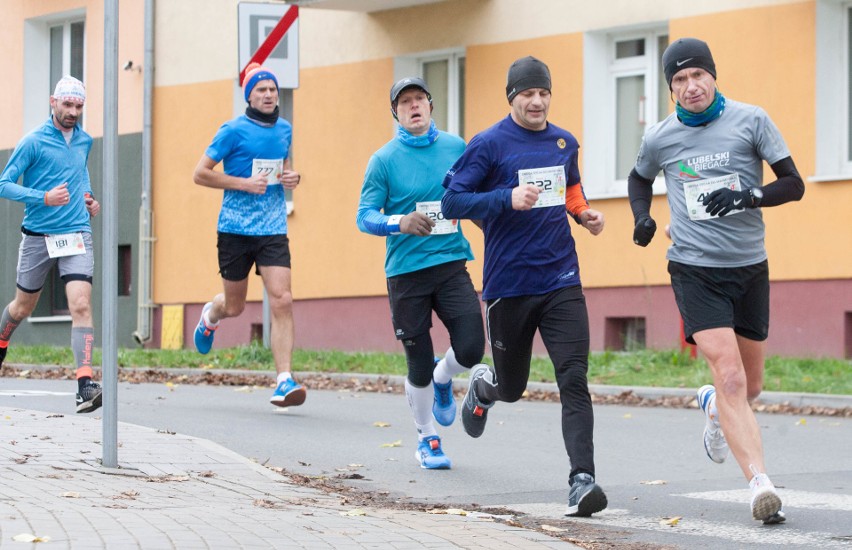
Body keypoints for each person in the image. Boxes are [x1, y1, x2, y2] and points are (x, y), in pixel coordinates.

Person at [627, 38, 805, 524]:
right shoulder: (660, 137)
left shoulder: (751, 120)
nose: (690, 87)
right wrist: (642, 217)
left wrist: (750, 197)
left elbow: (794, 184)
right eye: (679, 80)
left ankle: (712, 410)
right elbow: (639, 178)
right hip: (693, 268)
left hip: (749, 266)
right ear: (670, 89)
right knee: (728, 374)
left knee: (749, 386)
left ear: (713, 76)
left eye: (697, 76)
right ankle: (760, 485)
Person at [442, 56, 608, 516]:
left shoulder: (563, 141)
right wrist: (505, 198)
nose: (536, 101)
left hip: (561, 280)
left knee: (573, 377)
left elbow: (570, 188)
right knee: (513, 387)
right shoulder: (489, 144)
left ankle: (582, 480)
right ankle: (485, 388)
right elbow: (452, 199)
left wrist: (584, 214)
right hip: (508, 287)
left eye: (543, 93)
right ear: (512, 97)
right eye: (527, 94)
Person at [356, 77, 486, 470]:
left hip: (450, 264)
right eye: (405, 102)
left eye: (419, 100)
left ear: (431, 106)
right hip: (406, 274)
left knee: (470, 348)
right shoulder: (383, 160)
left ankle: (444, 377)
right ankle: (427, 436)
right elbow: (365, 217)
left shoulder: (455, 147)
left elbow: (472, 199)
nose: (413, 106)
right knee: (417, 362)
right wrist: (399, 222)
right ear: (395, 112)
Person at [192, 63, 306, 407]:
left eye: (272, 89)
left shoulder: (285, 129)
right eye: (261, 89)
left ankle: (284, 379)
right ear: (250, 95)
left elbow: (283, 168)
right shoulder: (232, 130)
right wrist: (242, 183)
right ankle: (211, 315)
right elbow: (200, 174)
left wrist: (291, 178)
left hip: (272, 227)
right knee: (235, 306)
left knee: (282, 298)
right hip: (235, 229)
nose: (269, 94)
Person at [0, 76, 103, 414]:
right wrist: (42, 197)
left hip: (76, 232)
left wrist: (89, 199)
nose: (73, 112)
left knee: (81, 305)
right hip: (38, 237)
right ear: (53, 102)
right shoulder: (32, 142)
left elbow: (81, 173)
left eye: (78, 106)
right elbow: (4, 184)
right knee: (22, 307)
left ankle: (85, 383)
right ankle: (2, 340)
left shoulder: (85, 140)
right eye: (67, 105)